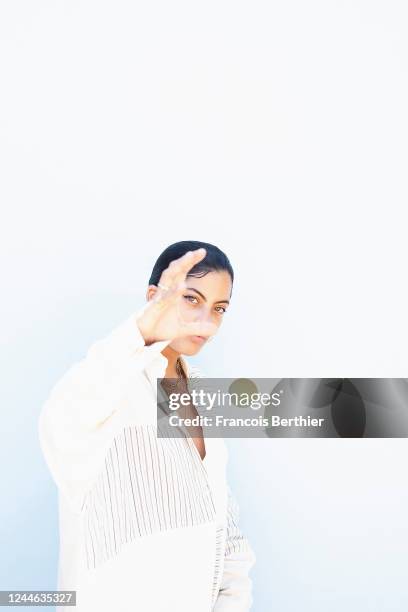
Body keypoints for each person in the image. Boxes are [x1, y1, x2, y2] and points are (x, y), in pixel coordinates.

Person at [38, 240, 256, 611]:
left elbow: (225, 534)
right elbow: (65, 417)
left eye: (219, 308)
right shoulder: (111, 386)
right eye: (191, 299)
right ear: (153, 296)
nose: (206, 320)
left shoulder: (203, 394)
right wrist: (143, 332)